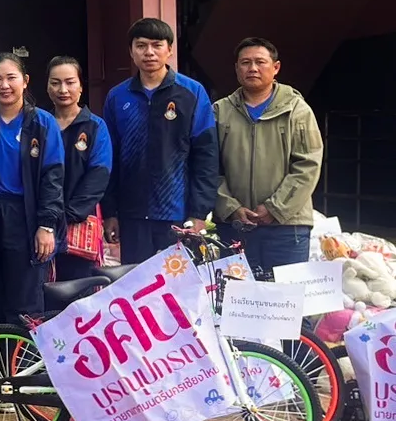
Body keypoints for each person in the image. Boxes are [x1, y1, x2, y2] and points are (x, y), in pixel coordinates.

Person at [102, 18, 219, 264]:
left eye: (157, 45)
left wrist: (198, 213)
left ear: (170, 50)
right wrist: (110, 212)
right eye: (141, 45)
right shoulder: (117, 97)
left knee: (180, 281)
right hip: (132, 214)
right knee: (135, 281)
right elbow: (109, 160)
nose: (149, 52)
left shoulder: (192, 93)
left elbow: (206, 156)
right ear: (131, 51)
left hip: (178, 213)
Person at [0, 53, 65, 326]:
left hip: (25, 216)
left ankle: (23, 354)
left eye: (11, 78)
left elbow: (52, 177)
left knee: (25, 300)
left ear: (25, 81)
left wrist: (46, 225)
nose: (4, 85)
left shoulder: (43, 123)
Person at [213, 38, 324, 272]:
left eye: (260, 62)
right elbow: (208, 166)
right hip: (233, 226)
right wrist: (230, 207)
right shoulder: (219, 111)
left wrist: (275, 208)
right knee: (236, 292)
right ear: (236, 69)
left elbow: (308, 165)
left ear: (276, 67)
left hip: (287, 227)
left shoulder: (297, 110)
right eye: (245, 63)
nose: (252, 68)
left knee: (285, 293)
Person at [45, 56, 113, 281]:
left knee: (80, 289)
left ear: (81, 86)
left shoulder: (95, 126)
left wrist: (68, 215)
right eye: (55, 83)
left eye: (70, 82)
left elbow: (99, 176)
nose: (63, 89)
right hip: (42, 226)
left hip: (79, 224)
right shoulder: (39, 125)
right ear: (47, 87)